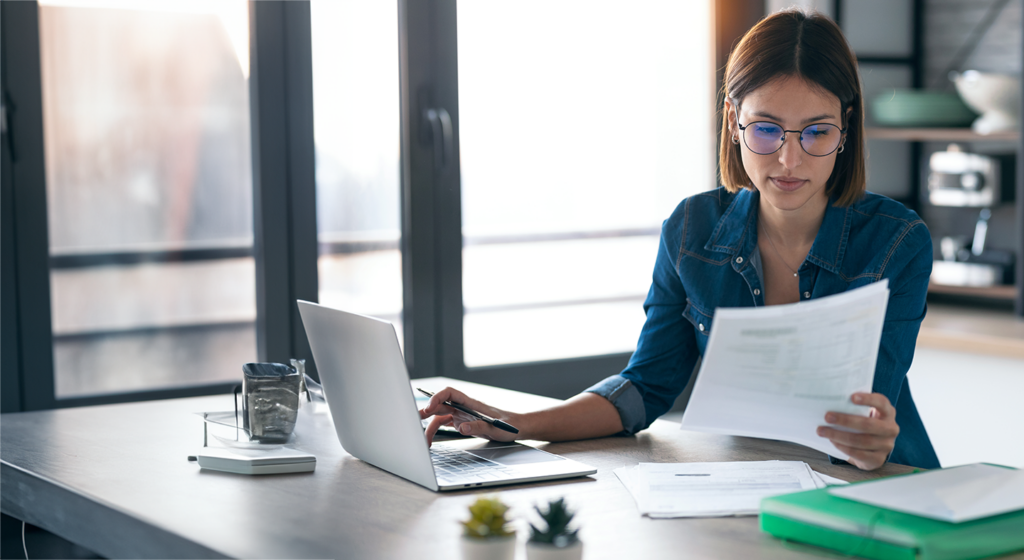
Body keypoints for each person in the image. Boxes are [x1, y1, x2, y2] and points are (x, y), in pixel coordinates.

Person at [419, 9, 941, 471]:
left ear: (845, 128)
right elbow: (644, 390)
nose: (789, 159)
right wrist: (513, 422)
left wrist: (870, 442)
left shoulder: (897, 242)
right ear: (734, 121)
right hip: (749, 485)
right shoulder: (692, 230)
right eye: (765, 129)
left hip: (879, 483)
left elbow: (871, 412)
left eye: (816, 132)